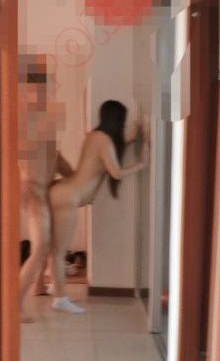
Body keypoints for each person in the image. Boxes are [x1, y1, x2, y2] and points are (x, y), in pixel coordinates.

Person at [49, 100, 149, 314]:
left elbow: (107, 155)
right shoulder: (103, 139)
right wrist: (140, 164)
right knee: (58, 251)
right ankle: (60, 298)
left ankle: (55, 288)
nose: (124, 126)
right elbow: (116, 172)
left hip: (63, 191)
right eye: (123, 122)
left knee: (54, 248)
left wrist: (133, 138)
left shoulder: (94, 136)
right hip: (67, 197)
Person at [18, 70, 74, 323]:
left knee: (47, 242)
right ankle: (15, 305)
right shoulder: (23, 119)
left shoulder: (43, 120)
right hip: (33, 192)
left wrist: (75, 180)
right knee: (41, 246)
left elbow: (56, 158)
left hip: (43, 190)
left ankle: (39, 285)